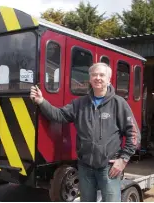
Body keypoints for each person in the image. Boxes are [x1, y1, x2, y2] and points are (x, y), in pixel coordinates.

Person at [30, 62, 141, 202]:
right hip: (85, 167)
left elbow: (134, 134)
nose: (98, 78)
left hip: (109, 168)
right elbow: (58, 115)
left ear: (109, 79)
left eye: (102, 75)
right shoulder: (79, 104)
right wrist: (41, 101)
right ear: (90, 79)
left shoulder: (119, 104)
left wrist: (123, 159)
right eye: (94, 75)